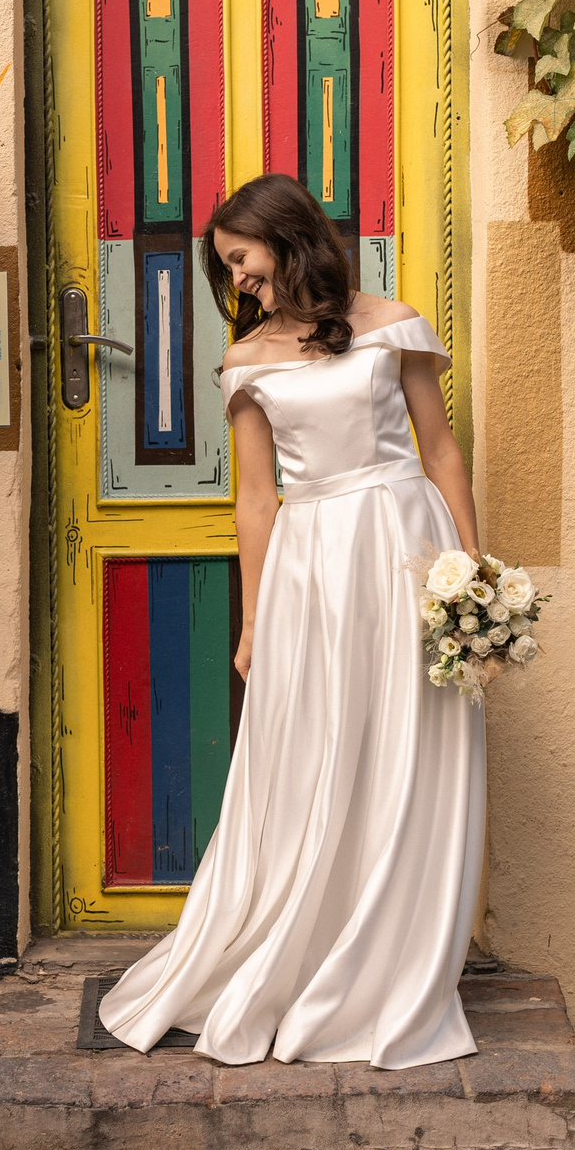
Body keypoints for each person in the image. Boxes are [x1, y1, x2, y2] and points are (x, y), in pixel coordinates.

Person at [95, 174, 486, 1069]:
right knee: (315, 752)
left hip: (403, 546)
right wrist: (254, 621)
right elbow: (256, 503)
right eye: (225, 268)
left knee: (408, 746)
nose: (235, 281)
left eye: (242, 258)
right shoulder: (248, 361)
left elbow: (443, 452)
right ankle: (306, 952)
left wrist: (473, 570)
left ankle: (391, 965)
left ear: (289, 237)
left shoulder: (394, 325)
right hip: (314, 566)